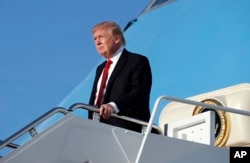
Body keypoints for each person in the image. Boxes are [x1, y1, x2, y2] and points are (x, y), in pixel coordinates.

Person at [88, 21, 152, 133]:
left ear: (116, 39)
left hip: (127, 131)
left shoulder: (137, 61)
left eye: (101, 37)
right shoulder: (100, 69)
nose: (97, 42)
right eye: (95, 39)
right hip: (98, 130)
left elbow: (140, 92)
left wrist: (114, 106)